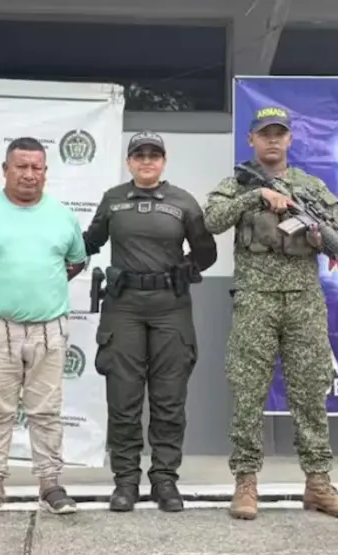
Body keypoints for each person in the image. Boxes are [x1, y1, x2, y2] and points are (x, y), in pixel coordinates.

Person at [203, 106, 338, 521]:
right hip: (256, 298)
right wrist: (257, 196)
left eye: (280, 133)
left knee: (310, 391)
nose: (272, 140)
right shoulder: (236, 183)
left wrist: (317, 233)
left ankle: (318, 483)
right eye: (264, 133)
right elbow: (211, 220)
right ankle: (245, 482)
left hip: (303, 300)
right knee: (248, 391)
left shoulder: (311, 187)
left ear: (290, 140)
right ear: (251, 140)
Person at [0, 137, 87, 518]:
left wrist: (39, 287)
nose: (28, 174)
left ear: (45, 172)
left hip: (49, 330)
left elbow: (75, 262)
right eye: (20, 166)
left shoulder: (63, 216)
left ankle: (50, 485)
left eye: (36, 167)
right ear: (5, 170)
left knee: (47, 411)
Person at [82, 131, 217, 513]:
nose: (146, 161)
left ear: (163, 160)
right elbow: (89, 241)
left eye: (153, 155)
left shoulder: (183, 202)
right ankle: (125, 481)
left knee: (169, 398)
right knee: (123, 398)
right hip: (123, 307)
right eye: (139, 155)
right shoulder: (113, 199)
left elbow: (205, 250)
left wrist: (184, 270)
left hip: (170, 308)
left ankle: (164, 480)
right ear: (129, 162)